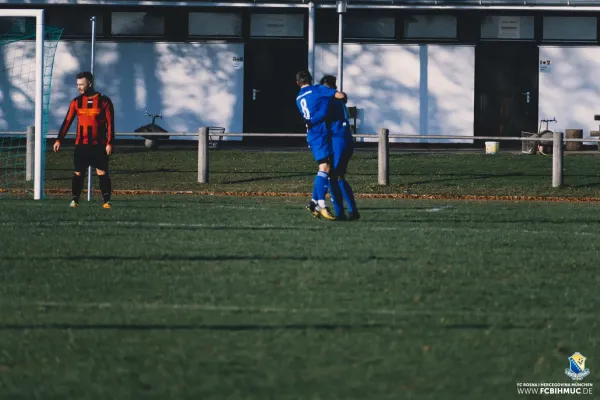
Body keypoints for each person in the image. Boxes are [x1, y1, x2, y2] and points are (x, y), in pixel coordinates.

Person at [53, 71, 115, 209]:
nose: (78, 87)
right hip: (81, 145)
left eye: (81, 84)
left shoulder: (104, 101)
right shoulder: (76, 102)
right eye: (77, 85)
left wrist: (110, 143)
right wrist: (59, 140)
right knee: (78, 173)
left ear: (90, 84)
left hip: (99, 145)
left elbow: (111, 124)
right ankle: (75, 201)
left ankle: (106, 202)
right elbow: (67, 121)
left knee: (102, 173)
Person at [295, 70, 346, 221]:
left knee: (325, 167)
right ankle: (321, 205)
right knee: (325, 168)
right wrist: (334, 93)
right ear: (311, 79)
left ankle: (313, 201)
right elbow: (340, 96)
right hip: (320, 133)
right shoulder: (318, 89)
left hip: (312, 133)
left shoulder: (298, 98)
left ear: (297, 83)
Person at [319, 75, 360, 220]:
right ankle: (352, 210)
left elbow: (321, 117)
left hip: (339, 140)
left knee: (332, 177)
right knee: (339, 176)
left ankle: (340, 213)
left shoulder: (330, 100)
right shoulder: (338, 99)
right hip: (345, 139)